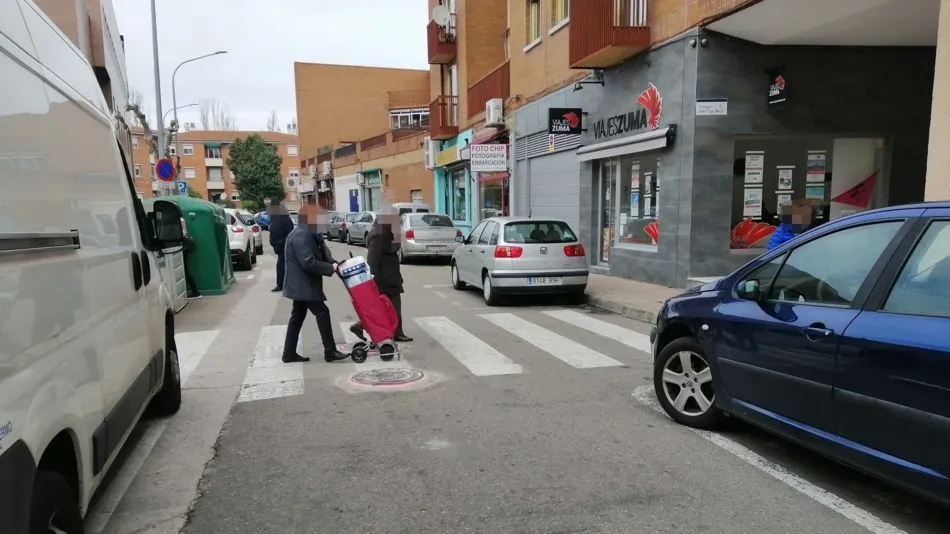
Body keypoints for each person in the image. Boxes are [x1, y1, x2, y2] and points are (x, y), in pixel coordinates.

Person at [281, 204, 348, 363]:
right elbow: (308, 262)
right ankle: (330, 351)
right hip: (303, 285)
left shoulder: (309, 233)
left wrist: (335, 264)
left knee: (297, 317)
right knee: (322, 313)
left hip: (302, 285)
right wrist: (330, 268)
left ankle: (288, 353)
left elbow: (321, 253)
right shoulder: (301, 235)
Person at [349, 210, 413, 343]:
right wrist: (373, 280)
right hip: (385, 278)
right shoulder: (379, 235)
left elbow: (393, 248)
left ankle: (361, 325)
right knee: (393, 307)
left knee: (383, 308)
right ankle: (397, 333)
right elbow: (373, 259)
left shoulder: (386, 233)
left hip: (390, 276)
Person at [268, 199, 294, 293]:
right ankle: (282, 284)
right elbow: (272, 231)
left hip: (284, 246)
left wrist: (279, 242)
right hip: (279, 246)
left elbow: (289, 233)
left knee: (283, 266)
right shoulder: (275, 217)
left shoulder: (284, 218)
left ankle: (283, 285)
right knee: (281, 265)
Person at [182, 232, 201, 299]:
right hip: (184, 251)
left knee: (186, 274)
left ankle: (195, 292)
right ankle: (195, 292)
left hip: (181, 251)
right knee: (186, 273)